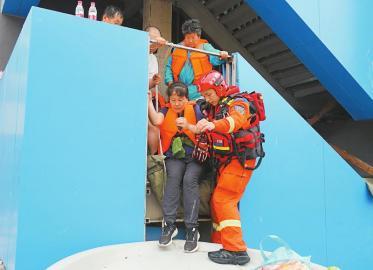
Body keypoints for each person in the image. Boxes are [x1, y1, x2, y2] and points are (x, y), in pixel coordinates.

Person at [195, 71, 263, 265]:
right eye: (205, 95)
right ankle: (221, 244)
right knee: (218, 203)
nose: (207, 98)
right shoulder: (215, 106)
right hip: (226, 161)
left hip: (240, 161)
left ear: (220, 89)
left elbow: (235, 122)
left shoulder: (239, 103)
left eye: (209, 94)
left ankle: (236, 251)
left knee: (224, 200)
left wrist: (211, 125)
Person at [148, 82, 203, 253]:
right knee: (173, 179)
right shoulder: (165, 110)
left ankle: (192, 229)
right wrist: (148, 100)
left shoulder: (195, 110)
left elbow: (203, 129)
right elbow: (157, 120)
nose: (177, 103)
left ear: (187, 99)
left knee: (189, 180)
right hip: (175, 156)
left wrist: (188, 126)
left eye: (180, 99)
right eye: (173, 100)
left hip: (195, 156)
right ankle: (170, 225)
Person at [164, 19, 229, 100]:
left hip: (198, 91)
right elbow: (168, 66)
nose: (190, 40)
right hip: (178, 89)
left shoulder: (205, 47)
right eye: (188, 38)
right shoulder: (177, 47)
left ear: (198, 36)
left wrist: (222, 54)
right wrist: (170, 82)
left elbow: (216, 58)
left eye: (193, 38)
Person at [146, 26, 167, 154]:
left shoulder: (153, 58)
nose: (154, 43)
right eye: (151, 39)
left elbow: (148, 84)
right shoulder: (134, 48)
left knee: (154, 128)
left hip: (145, 96)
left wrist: (153, 81)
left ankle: (151, 159)